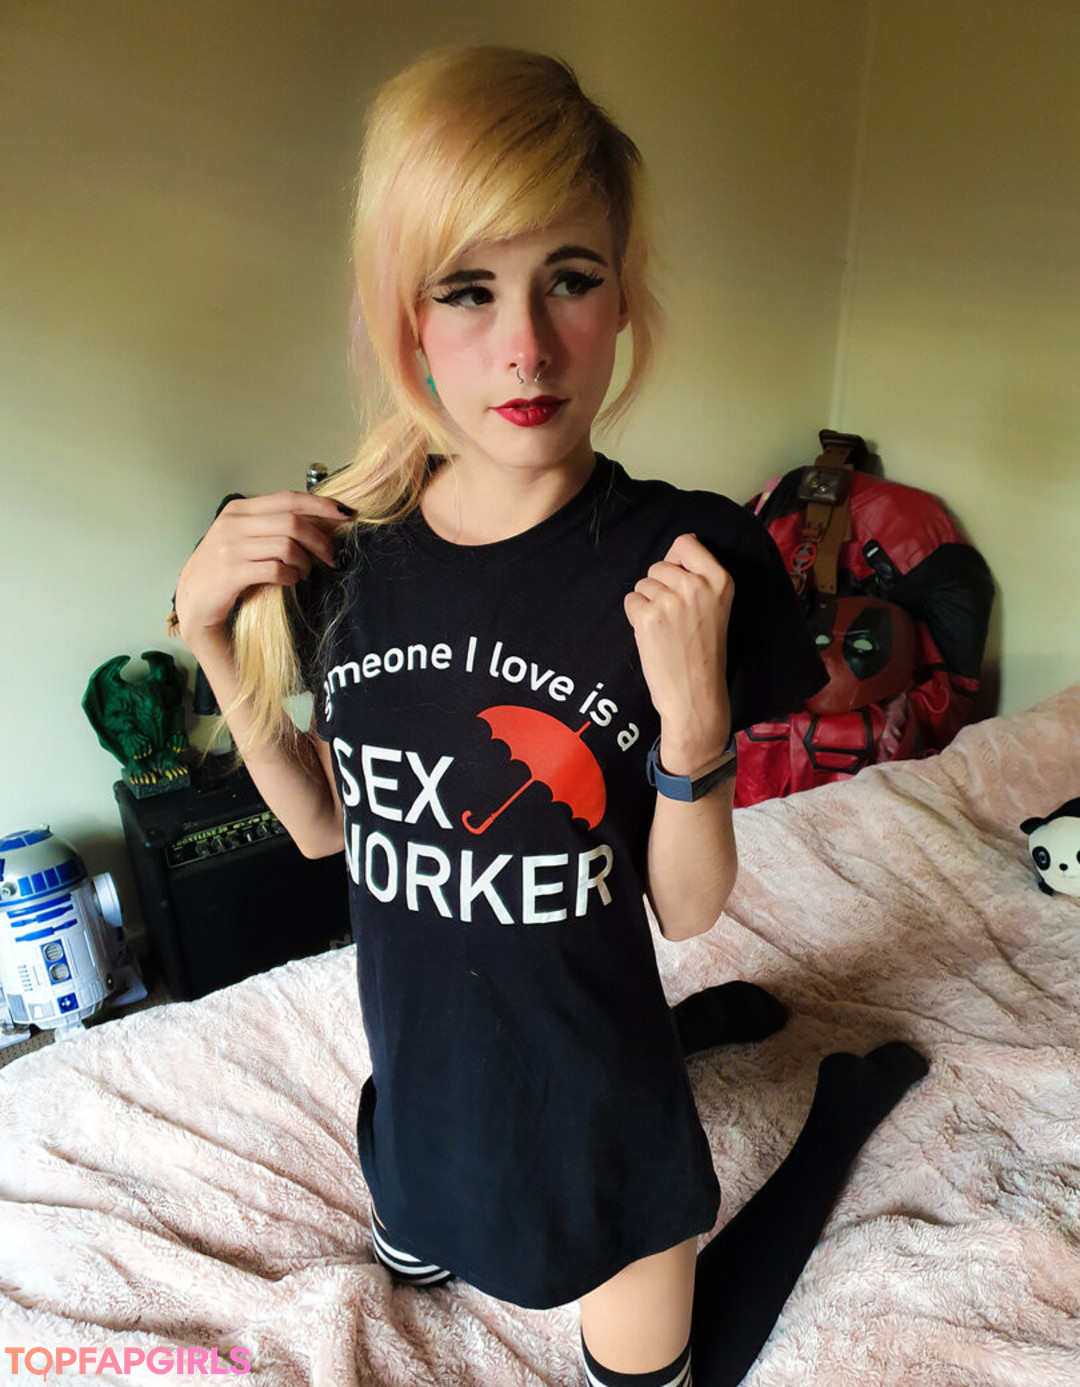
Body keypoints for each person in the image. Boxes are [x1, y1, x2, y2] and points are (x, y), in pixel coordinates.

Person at [173, 46, 927, 1387]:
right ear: (408, 319)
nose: (526, 347)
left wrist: (693, 725)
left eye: (569, 279)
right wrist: (215, 644)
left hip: (599, 1121)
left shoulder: (685, 559)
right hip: (416, 1108)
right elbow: (331, 833)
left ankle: (839, 1117)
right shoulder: (351, 554)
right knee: (417, 1237)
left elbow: (685, 909)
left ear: (623, 295)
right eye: (469, 291)